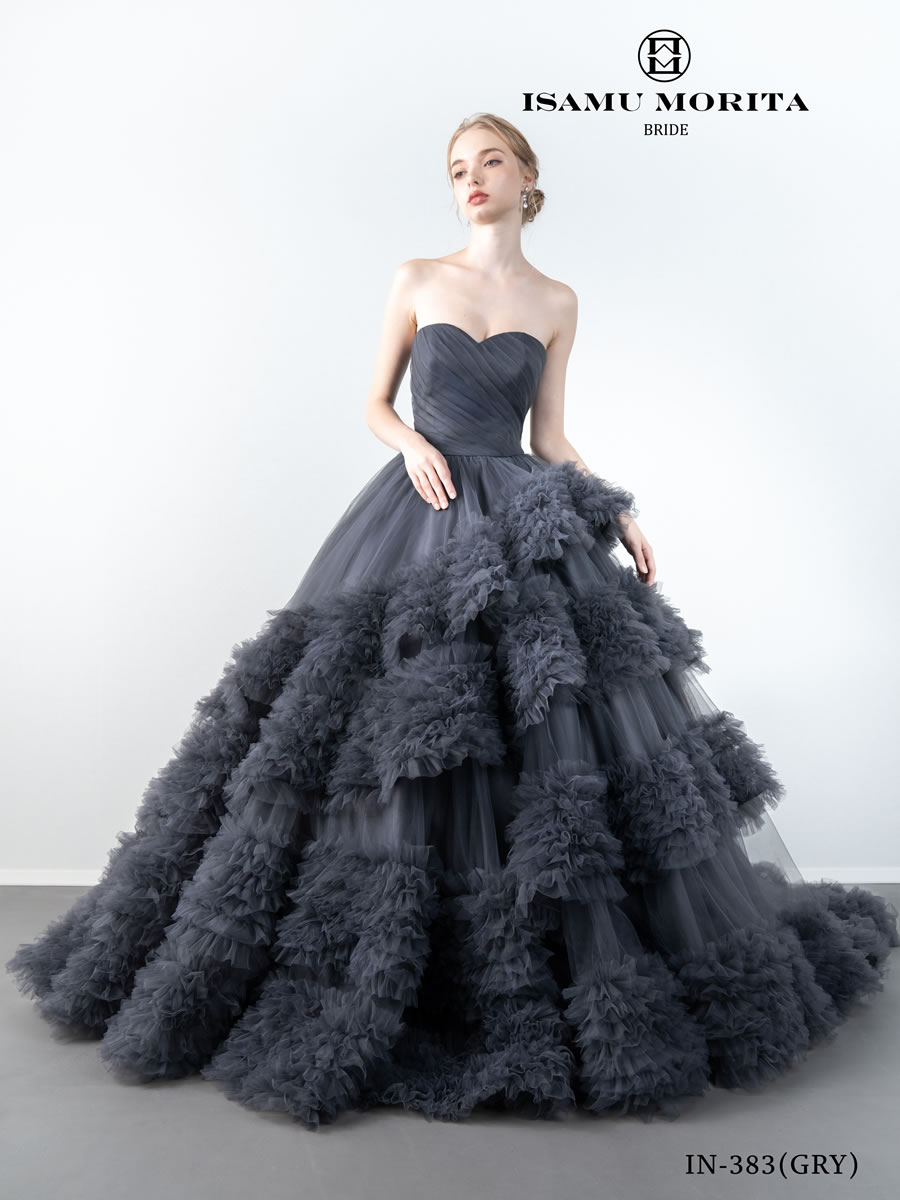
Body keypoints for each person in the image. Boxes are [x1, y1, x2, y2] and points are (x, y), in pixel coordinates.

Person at [7, 112, 898, 1130]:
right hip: (417, 510)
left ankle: (534, 966)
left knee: (544, 726)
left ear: (527, 177)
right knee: (383, 723)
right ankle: (363, 958)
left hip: (518, 517)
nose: (470, 180)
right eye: (457, 168)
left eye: (489, 163)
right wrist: (411, 444)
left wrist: (618, 511)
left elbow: (550, 435)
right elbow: (375, 403)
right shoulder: (418, 278)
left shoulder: (556, 301)